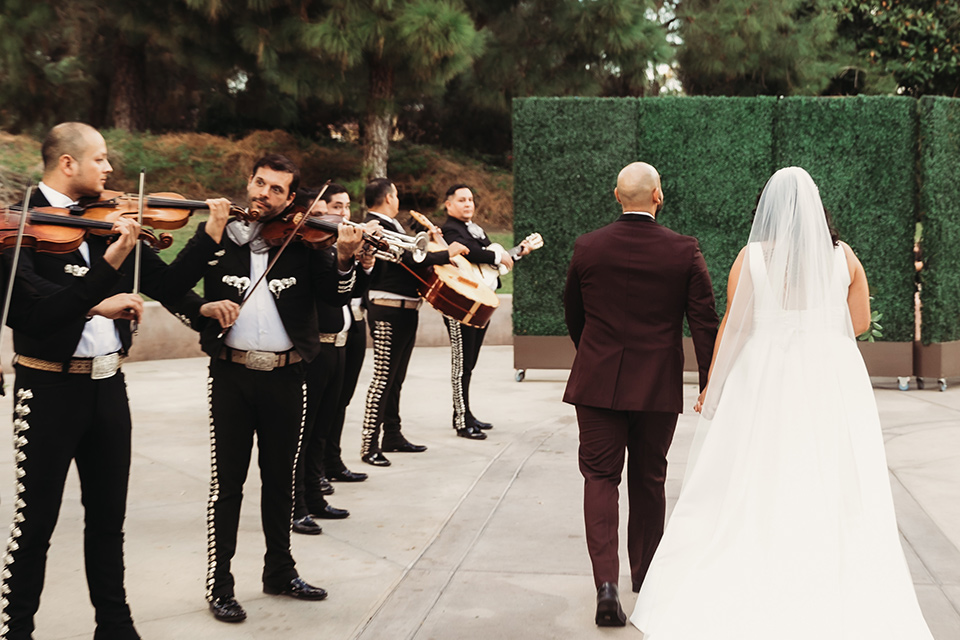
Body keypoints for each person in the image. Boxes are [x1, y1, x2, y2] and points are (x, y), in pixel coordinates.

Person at [631, 167, 935, 639]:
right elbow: (857, 323)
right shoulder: (845, 259)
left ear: (765, 212)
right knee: (830, 474)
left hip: (764, 375)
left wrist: (712, 385)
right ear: (817, 210)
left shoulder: (750, 258)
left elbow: (734, 326)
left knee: (755, 469)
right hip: (830, 378)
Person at [0, 122, 231, 640]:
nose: (109, 170)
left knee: (108, 519)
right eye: (100, 159)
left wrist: (206, 236)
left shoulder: (108, 220)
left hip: (108, 388)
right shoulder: (17, 227)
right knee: (34, 523)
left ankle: (116, 626)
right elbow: (36, 314)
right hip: (48, 390)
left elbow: (167, 284)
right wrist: (105, 279)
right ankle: (15, 631)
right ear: (68, 163)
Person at [167, 154, 364, 623]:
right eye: (260, 183)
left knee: (280, 480)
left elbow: (335, 303)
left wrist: (343, 257)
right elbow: (173, 285)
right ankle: (220, 582)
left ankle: (280, 570)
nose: (264, 194)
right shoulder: (220, 238)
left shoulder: (305, 243)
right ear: (248, 182)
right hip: (231, 376)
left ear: (291, 199)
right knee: (227, 484)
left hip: (287, 376)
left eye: (277, 189)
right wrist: (205, 254)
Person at [562, 162, 718, 627]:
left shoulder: (588, 246)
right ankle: (646, 578)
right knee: (649, 479)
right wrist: (710, 378)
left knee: (599, 478)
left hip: (597, 383)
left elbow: (575, 312)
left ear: (616, 195)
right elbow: (704, 320)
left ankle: (606, 586)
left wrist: (593, 356)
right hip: (657, 386)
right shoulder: (683, 250)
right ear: (659, 196)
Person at [359, 178, 467, 466]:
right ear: (388, 197)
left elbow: (413, 255)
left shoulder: (392, 225)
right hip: (387, 310)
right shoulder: (375, 226)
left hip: (405, 309)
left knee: (396, 378)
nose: (398, 199)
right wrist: (447, 252)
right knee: (383, 378)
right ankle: (369, 444)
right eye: (396, 194)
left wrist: (430, 240)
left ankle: (392, 435)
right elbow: (409, 259)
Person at [292, 184, 373, 536]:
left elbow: (350, 293)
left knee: (323, 427)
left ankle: (315, 497)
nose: (330, 220)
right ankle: (299, 504)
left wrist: (359, 262)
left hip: (338, 344)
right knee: (305, 435)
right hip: (317, 348)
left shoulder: (329, 251)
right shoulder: (308, 253)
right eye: (322, 213)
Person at [439, 183, 535, 439]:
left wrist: (519, 252)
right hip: (460, 306)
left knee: (469, 364)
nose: (468, 203)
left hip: (480, 303)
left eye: (470, 199)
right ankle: (460, 419)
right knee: (461, 365)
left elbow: (492, 263)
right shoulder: (449, 229)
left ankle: (467, 413)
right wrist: (496, 257)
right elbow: (472, 254)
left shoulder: (476, 229)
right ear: (449, 205)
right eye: (461, 200)